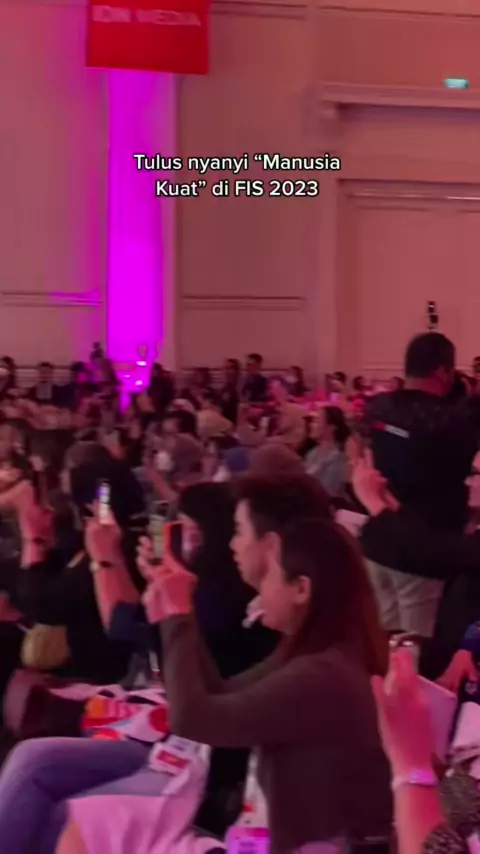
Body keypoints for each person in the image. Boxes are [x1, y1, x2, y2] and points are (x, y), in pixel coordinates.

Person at [140, 512, 391, 853]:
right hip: (279, 836)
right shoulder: (315, 654)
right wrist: (176, 615)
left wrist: (177, 616)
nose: (260, 587)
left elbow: (191, 718)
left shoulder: (323, 675)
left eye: (270, 575)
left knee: (102, 824)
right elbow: (217, 693)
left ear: (301, 589)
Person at [361, 332, 477, 639]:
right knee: (415, 649)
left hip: (377, 539)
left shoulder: (377, 408)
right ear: (442, 372)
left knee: (382, 641)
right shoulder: (450, 421)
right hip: (423, 550)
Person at [304, 406, 350, 499]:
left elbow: (329, 492)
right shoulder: (313, 453)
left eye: (317, 421)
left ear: (331, 427)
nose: (311, 425)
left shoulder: (339, 457)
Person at [267, 377, 306, 450]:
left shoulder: (289, 405)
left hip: (292, 440)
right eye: (271, 388)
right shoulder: (281, 404)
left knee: (266, 443)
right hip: (290, 437)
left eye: (274, 388)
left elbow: (284, 426)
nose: (271, 391)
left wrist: (274, 430)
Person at [219, 358, 241, 424]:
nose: (227, 371)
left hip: (235, 424)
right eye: (226, 368)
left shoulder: (241, 387)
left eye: (230, 368)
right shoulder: (224, 389)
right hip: (223, 423)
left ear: (237, 371)